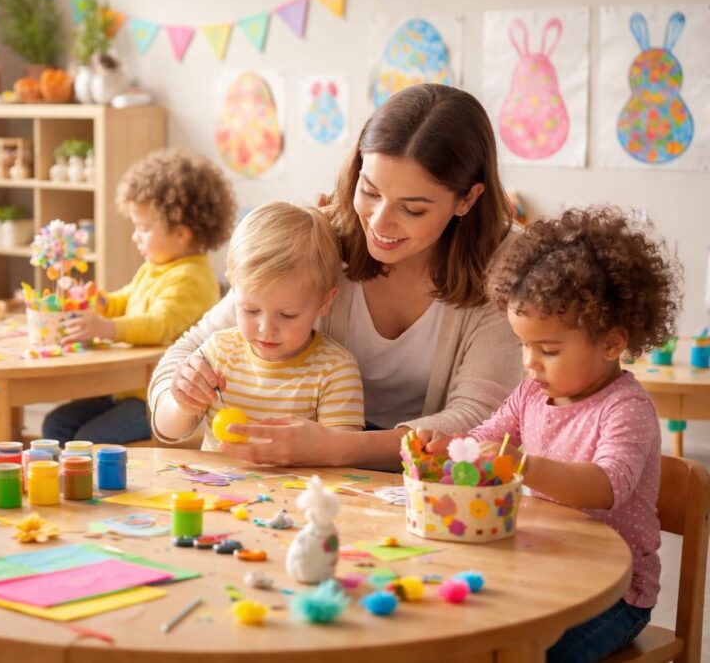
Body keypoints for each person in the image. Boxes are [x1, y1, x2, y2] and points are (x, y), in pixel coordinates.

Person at [149, 83, 520, 468]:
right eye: (370, 191)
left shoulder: (504, 263)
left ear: (467, 199)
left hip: (423, 484)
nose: (379, 222)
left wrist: (336, 448)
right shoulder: (313, 240)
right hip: (309, 479)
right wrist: (181, 394)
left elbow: (481, 421)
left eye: (412, 209)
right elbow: (188, 351)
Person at [421, 207, 680, 662]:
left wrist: (523, 466)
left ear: (611, 343)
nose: (529, 362)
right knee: (462, 632)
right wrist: (449, 446)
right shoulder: (530, 395)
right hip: (544, 568)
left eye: (549, 350)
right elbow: (487, 435)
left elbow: (606, 487)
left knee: (527, 652)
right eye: (523, 344)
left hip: (614, 594)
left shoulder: (626, 409)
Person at [42, 149, 236, 445]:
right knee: (56, 424)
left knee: (87, 439)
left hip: (157, 399)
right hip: (126, 390)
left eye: (143, 229)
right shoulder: (154, 268)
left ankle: (98, 487)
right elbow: (127, 300)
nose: (135, 236)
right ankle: (63, 486)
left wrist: (107, 328)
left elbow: (158, 324)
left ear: (182, 233)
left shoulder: (193, 279)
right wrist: (104, 303)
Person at [154, 202, 364, 449]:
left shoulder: (334, 371)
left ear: (325, 302)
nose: (266, 328)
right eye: (250, 310)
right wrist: (181, 404)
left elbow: (342, 456)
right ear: (234, 290)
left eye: (288, 314)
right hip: (215, 486)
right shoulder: (218, 352)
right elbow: (168, 430)